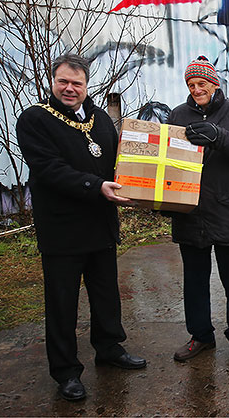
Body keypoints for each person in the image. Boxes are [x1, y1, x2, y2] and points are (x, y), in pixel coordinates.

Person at [16, 54, 146, 402]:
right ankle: (66, 372)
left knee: (106, 295)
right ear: (52, 82)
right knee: (62, 303)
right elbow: (49, 169)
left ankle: (109, 349)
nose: (70, 89)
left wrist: (140, 184)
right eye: (64, 82)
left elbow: (119, 162)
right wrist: (96, 186)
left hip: (100, 224)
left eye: (77, 83)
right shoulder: (35, 120)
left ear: (87, 85)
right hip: (62, 230)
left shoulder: (100, 118)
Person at [167, 56, 229, 364]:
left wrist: (219, 136)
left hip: (228, 210)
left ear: (215, 84)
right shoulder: (178, 114)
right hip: (190, 212)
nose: (197, 89)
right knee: (194, 281)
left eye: (202, 84)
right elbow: (167, 160)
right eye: (191, 85)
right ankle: (200, 336)